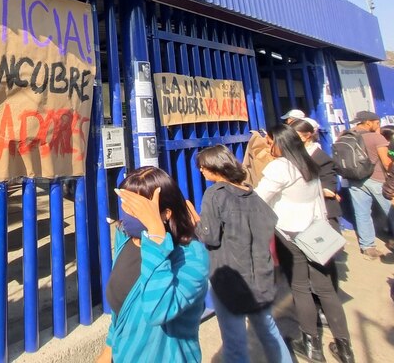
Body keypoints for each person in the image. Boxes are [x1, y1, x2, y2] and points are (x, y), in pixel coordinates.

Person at [256, 124, 354, 363]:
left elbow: (260, 198)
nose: (269, 146)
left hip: (289, 234)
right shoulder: (308, 162)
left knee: (300, 287)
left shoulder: (280, 167)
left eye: (269, 142)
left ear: (278, 142)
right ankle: (344, 347)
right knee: (326, 288)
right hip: (316, 231)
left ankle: (311, 345)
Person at [98, 167, 209, 363]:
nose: (129, 213)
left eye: (139, 208)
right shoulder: (126, 239)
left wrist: (156, 236)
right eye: (126, 204)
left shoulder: (191, 256)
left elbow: (158, 310)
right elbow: (121, 311)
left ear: (166, 213)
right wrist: (108, 352)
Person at [194, 145, 292, 363]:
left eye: (203, 166)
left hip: (229, 277)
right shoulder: (250, 192)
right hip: (259, 274)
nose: (201, 170)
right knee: (268, 330)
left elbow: (209, 237)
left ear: (215, 166)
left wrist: (194, 221)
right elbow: (269, 224)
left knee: (234, 340)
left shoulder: (214, 194)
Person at [345, 110, 394, 260]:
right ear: (368, 122)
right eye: (377, 123)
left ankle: (367, 246)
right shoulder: (376, 137)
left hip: (355, 179)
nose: (378, 125)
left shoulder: (346, 135)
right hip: (377, 179)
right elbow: (386, 162)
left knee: (362, 213)